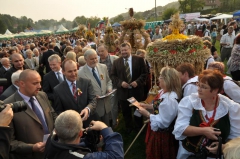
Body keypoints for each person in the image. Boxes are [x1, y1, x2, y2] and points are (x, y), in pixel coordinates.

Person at [173, 69, 240, 159]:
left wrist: (223, 146)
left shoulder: (231, 107)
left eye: (204, 87)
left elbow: (235, 137)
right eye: (199, 85)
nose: (199, 89)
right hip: (190, 154)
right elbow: (180, 129)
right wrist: (204, 131)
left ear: (215, 90)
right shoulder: (190, 102)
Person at [4, 69, 57, 159]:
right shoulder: (8, 106)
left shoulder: (42, 95)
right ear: (22, 84)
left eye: (40, 82)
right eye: (35, 83)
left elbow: (52, 115)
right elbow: (9, 142)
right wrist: (32, 148)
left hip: (52, 151)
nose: (39, 86)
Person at [138, 67, 182, 159]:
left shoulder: (169, 99)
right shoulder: (163, 92)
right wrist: (149, 106)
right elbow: (160, 107)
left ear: (167, 80)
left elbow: (164, 123)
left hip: (163, 135)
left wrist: (147, 114)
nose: (158, 79)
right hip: (159, 133)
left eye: (160, 77)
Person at [44, 110, 124, 159]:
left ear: (56, 131)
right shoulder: (81, 157)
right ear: (80, 133)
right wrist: (104, 128)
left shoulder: (51, 140)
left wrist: (88, 141)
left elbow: (69, 146)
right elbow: (116, 156)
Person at [111, 42, 147, 134]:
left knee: (138, 110)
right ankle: (128, 127)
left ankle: (139, 127)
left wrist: (137, 82)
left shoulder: (139, 60)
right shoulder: (116, 62)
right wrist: (120, 83)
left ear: (130, 50)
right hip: (123, 92)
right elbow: (113, 76)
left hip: (136, 92)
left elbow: (145, 73)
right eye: (122, 50)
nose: (123, 52)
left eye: (125, 50)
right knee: (126, 111)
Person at [53, 59, 97, 127]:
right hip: (71, 127)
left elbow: (93, 100)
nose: (73, 74)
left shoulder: (86, 83)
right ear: (63, 72)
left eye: (75, 70)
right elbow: (59, 111)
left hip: (89, 123)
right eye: (70, 71)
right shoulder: (58, 90)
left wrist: (87, 109)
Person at [78, 49, 112, 126]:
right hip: (93, 108)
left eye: (96, 58)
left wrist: (109, 88)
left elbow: (108, 81)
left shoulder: (103, 67)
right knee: (95, 128)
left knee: (106, 126)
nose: (95, 60)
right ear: (85, 59)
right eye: (92, 59)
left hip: (105, 104)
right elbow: (79, 91)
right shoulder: (80, 73)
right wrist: (91, 96)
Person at [97, 44, 119, 128]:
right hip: (102, 86)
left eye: (102, 51)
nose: (100, 53)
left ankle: (114, 121)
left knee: (113, 104)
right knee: (105, 104)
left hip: (114, 85)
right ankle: (107, 120)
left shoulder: (115, 59)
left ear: (107, 50)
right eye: (99, 51)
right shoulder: (97, 61)